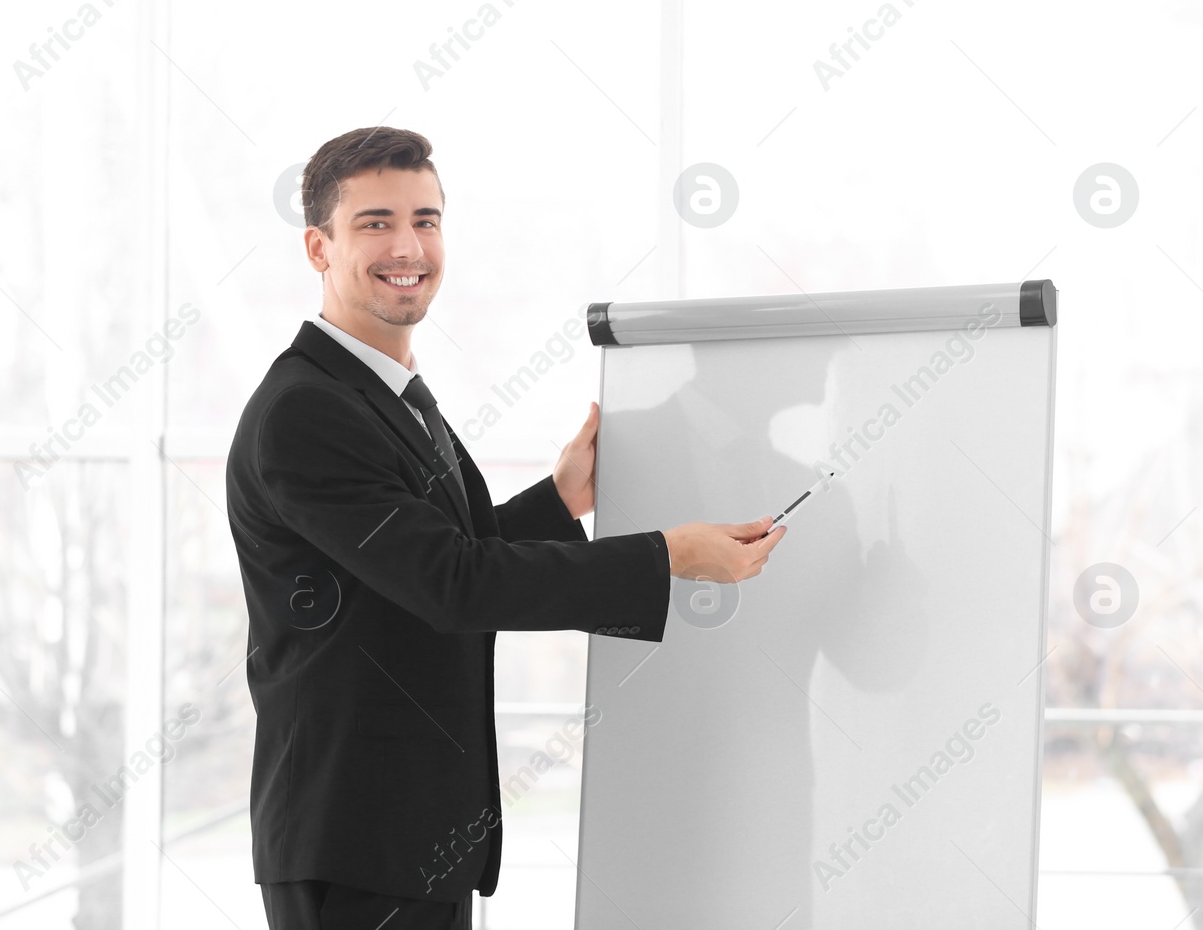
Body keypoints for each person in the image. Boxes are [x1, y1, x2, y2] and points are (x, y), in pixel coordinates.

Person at [225, 126, 787, 930]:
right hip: (356, 844)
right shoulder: (307, 411)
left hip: (403, 841)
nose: (409, 244)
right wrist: (671, 557)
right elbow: (452, 585)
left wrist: (560, 500)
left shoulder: (382, 394)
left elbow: (440, 555)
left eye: (427, 218)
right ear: (319, 247)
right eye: (376, 222)